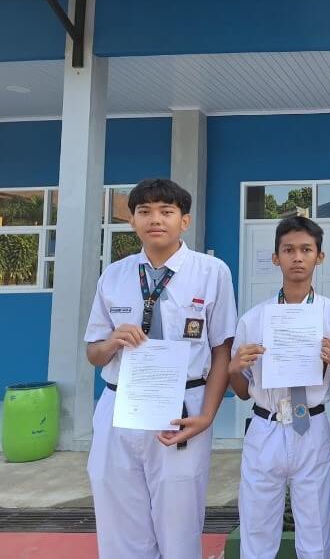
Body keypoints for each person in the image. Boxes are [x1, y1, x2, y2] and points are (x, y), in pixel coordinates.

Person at [84, 178, 237, 558]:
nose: (155, 219)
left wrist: (207, 416)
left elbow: (222, 350)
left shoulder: (211, 272)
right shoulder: (114, 275)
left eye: (166, 211)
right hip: (120, 405)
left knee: (178, 519)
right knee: (118, 513)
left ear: (184, 221)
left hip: (182, 407)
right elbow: (93, 353)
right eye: (145, 211)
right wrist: (112, 341)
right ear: (132, 220)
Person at [229, 216, 330, 559]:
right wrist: (233, 368)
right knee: (257, 523)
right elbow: (242, 390)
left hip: (310, 423)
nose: (297, 257)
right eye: (289, 250)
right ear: (275, 257)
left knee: (315, 522)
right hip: (265, 424)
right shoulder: (254, 319)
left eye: (306, 250)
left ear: (319, 257)